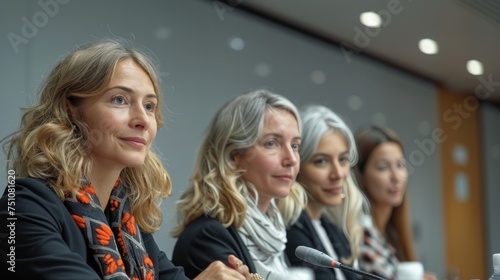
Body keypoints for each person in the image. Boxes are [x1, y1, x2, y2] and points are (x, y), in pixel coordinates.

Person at [0, 38, 250, 280]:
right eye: (120, 100)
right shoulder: (23, 207)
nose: (142, 119)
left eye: (150, 106)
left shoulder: (127, 226)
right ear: (71, 109)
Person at [171, 89, 307, 280]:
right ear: (234, 155)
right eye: (272, 143)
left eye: (295, 146)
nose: (291, 159)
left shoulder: (275, 235)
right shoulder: (207, 237)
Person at [279, 105, 366, 280]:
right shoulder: (290, 229)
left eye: (342, 159)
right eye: (321, 161)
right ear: (296, 165)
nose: (338, 174)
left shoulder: (331, 227)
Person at [353, 125, 436, 280]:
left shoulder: (390, 234)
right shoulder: (361, 235)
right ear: (361, 176)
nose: (396, 177)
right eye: (383, 167)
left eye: (400, 165)